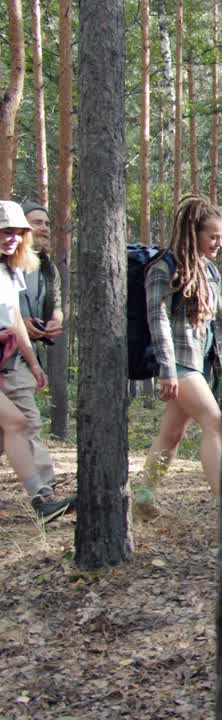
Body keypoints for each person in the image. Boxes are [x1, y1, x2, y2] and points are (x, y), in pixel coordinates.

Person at [133, 196, 222, 521]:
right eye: (212, 236)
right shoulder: (164, 268)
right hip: (180, 364)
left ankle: (143, 499)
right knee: (215, 421)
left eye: (221, 238)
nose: (217, 243)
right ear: (193, 231)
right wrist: (168, 370)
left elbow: (215, 321)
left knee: (171, 435)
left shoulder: (210, 269)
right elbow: (156, 320)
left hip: (200, 363)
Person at [0, 200, 73, 521]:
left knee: (16, 424)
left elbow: (14, 319)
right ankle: (42, 499)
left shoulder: (9, 269)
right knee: (16, 423)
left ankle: (43, 499)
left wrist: (33, 363)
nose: (11, 237)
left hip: (10, 359)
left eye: (17, 232)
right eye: (4, 231)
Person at [19, 203, 63, 363]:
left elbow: (57, 306)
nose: (44, 228)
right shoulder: (4, 264)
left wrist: (56, 321)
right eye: (37, 222)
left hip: (28, 359)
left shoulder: (49, 269)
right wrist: (18, 324)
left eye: (47, 224)